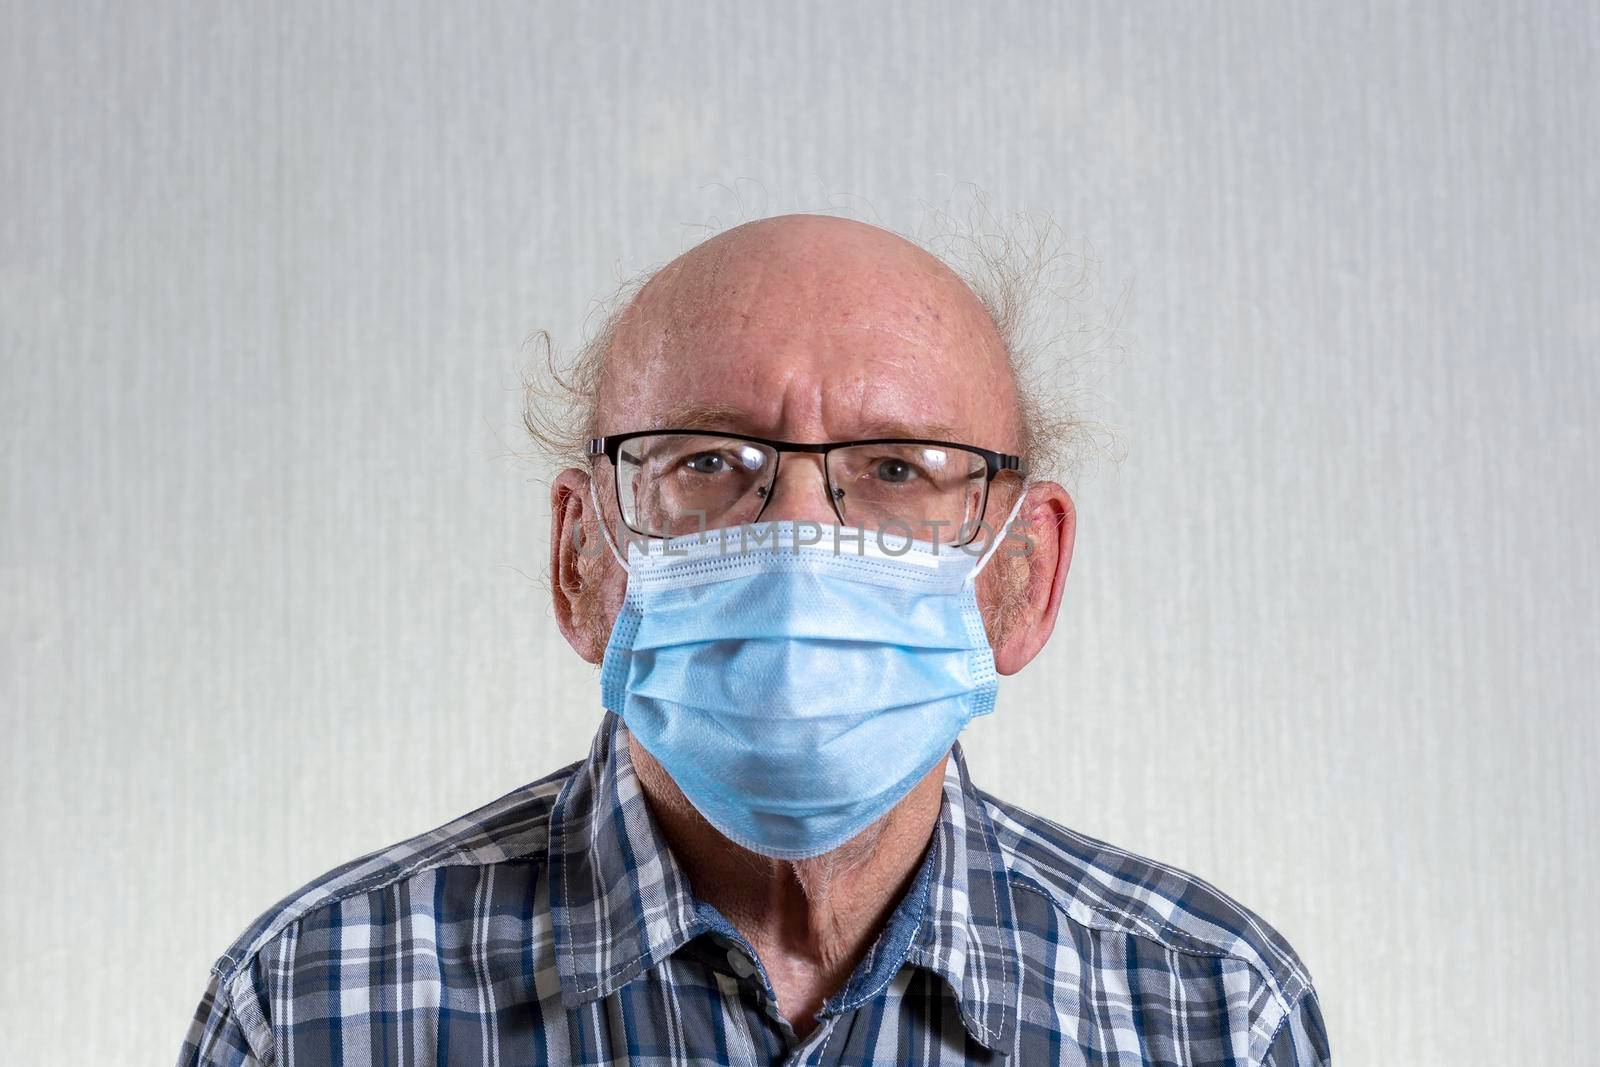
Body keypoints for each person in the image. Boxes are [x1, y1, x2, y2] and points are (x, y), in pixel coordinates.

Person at [178, 214, 1330, 1065]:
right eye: (708, 462)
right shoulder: (316, 1000)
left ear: (1024, 574)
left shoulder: (1207, 1009)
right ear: (583, 558)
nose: (796, 539)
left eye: (895, 470)